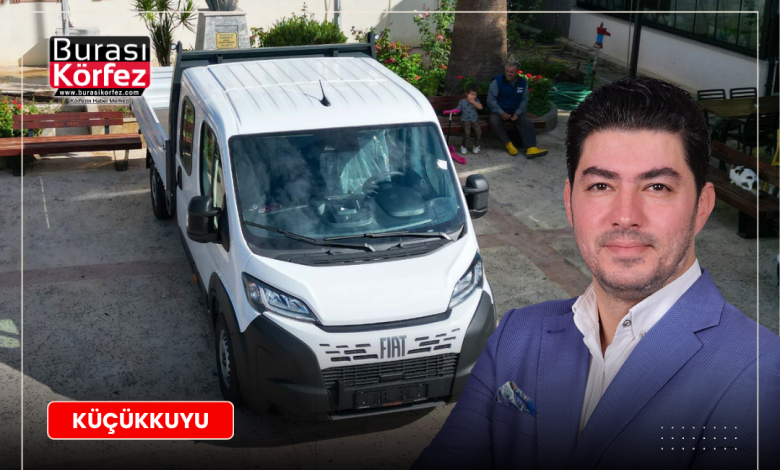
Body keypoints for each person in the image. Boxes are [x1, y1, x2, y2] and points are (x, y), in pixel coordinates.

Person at [412, 77, 780, 470]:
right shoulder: (517, 334)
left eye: (657, 187)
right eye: (601, 185)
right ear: (570, 203)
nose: (626, 216)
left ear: (701, 207)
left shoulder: (760, 372)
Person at [487, 60, 548, 159]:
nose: (508, 74)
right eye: (507, 71)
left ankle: (531, 148)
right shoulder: (497, 81)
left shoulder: (522, 82)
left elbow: (524, 99)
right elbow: (491, 100)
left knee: (526, 123)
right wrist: (501, 112)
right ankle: (509, 145)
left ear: (517, 72)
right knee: (494, 121)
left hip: (515, 111)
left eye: (511, 72)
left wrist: (517, 113)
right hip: (499, 111)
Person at [455, 83, 483, 155]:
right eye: (471, 94)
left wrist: (473, 102)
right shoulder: (462, 101)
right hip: (465, 120)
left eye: (475, 95)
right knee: (467, 133)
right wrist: (455, 111)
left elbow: (480, 107)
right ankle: (464, 146)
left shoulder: (476, 101)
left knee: (478, 132)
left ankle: (476, 145)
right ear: (467, 94)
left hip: (474, 120)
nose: (473, 96)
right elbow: (458, 108)